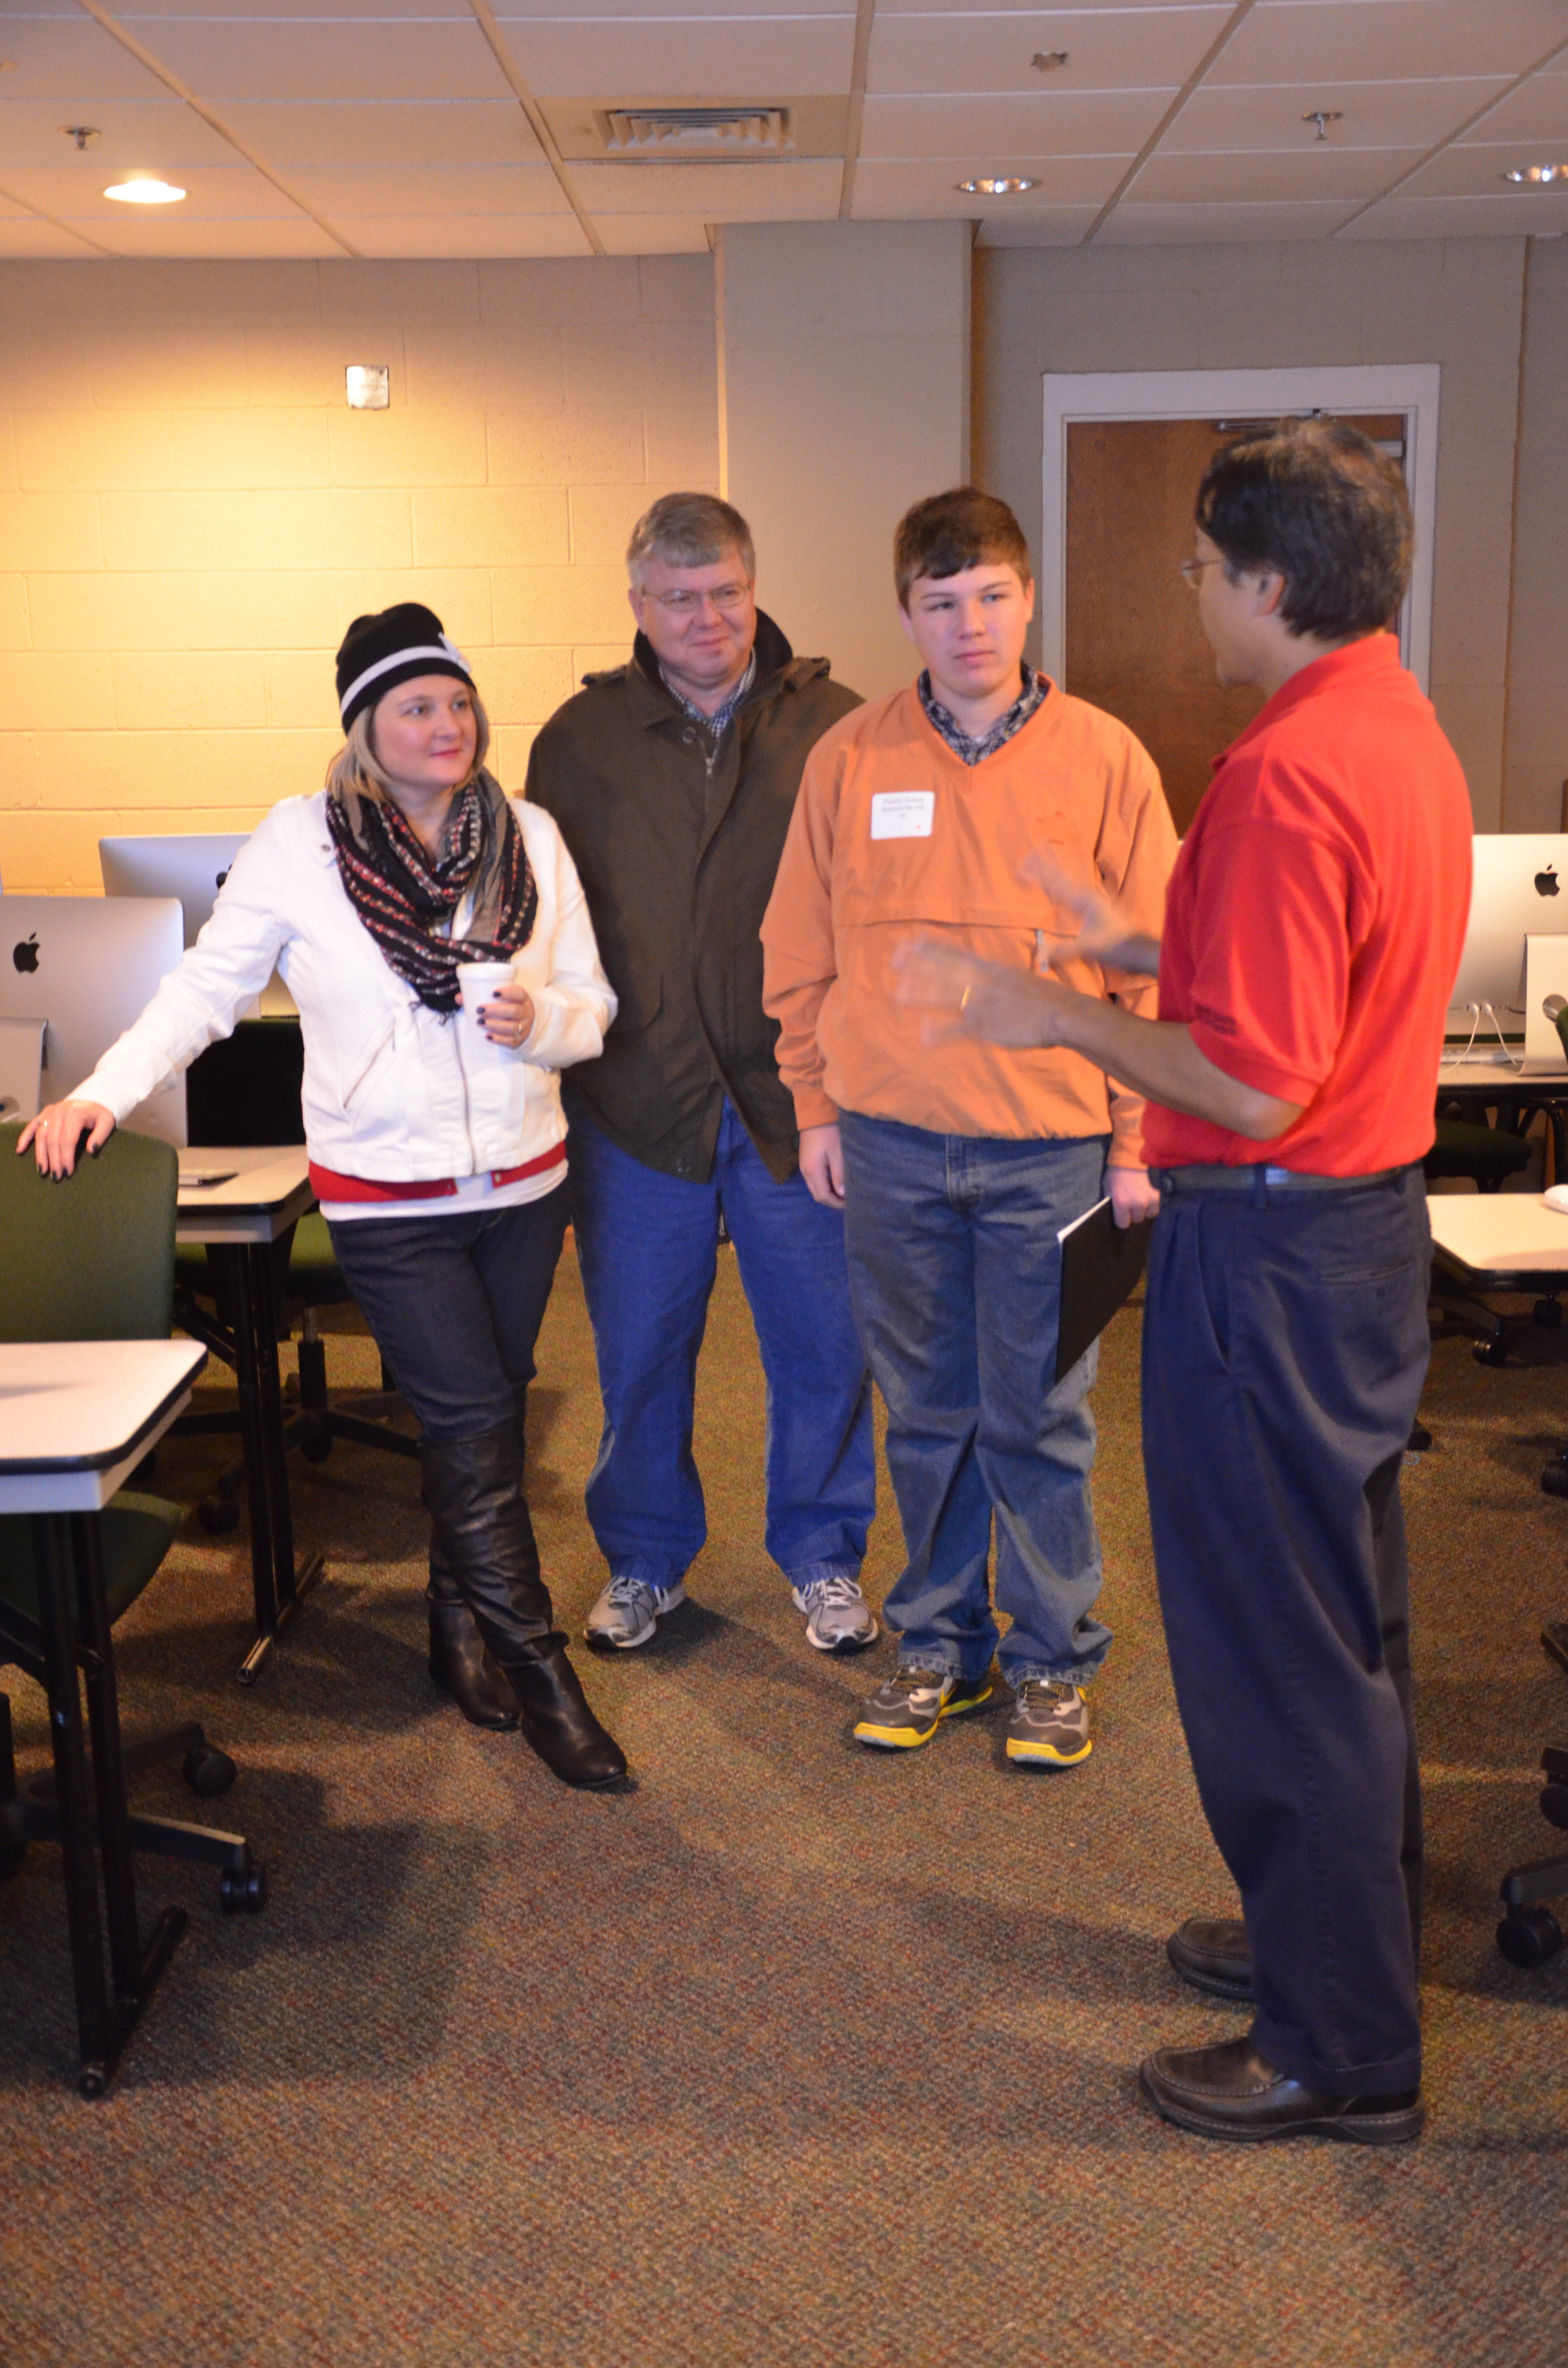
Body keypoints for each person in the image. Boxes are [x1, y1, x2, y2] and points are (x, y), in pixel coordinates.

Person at [894, 421, 1471, 2141]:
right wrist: (1139, 935)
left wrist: (1049, 1009)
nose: (1190, 589)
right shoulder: (1381, 718)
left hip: (1272, 1247)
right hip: (1354, 1239)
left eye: (1204, 567)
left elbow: (1252, 1079)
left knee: (1273, 1656)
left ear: (1268, 584)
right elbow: (1315, 955)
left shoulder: (1288, 771)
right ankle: (1339, 1945)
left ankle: (1336, 2047)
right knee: (1339, 1628)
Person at [19, 603, 628, 1792]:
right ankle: (539, 1662)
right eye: (417, 706)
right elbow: (207, 988)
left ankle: (456, 1625)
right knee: (463, 1420)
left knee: (491, 1408)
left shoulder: (532, 837)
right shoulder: (300, 846)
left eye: (458, 702)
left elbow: (593, 1003)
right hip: (386, 1191)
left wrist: (542, 1021)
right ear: (364, 728)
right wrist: (104, 1089)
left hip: (522, 1178)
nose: (446, 723)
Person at [761, 487, 1176, 1765]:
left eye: (989, 594)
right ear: (905, 614)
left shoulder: (1104, 755)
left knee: (1040, 1415)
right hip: (886, 1145)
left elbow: (1156, 966)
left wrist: (1131, 1138)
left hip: (1047, 1151)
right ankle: (941, 1643)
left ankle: (1055, 1656)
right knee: (924, 1410)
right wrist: (812, 1102)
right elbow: (798, 946)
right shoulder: (853, 756)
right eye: (939, 603)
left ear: (1027, 596)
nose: (967, 624)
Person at [526, 492, 879, 1657]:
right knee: (637, 1354)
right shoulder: (576, 744)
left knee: (824, 1351)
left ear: (755, 582)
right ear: (638, 604)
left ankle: (826, 1559)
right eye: (678, 598)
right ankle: (644, 1561)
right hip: (638, 1104)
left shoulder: (837, 725)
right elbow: (544, 923)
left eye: (726, 590)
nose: (707, 618)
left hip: (797, 1101)